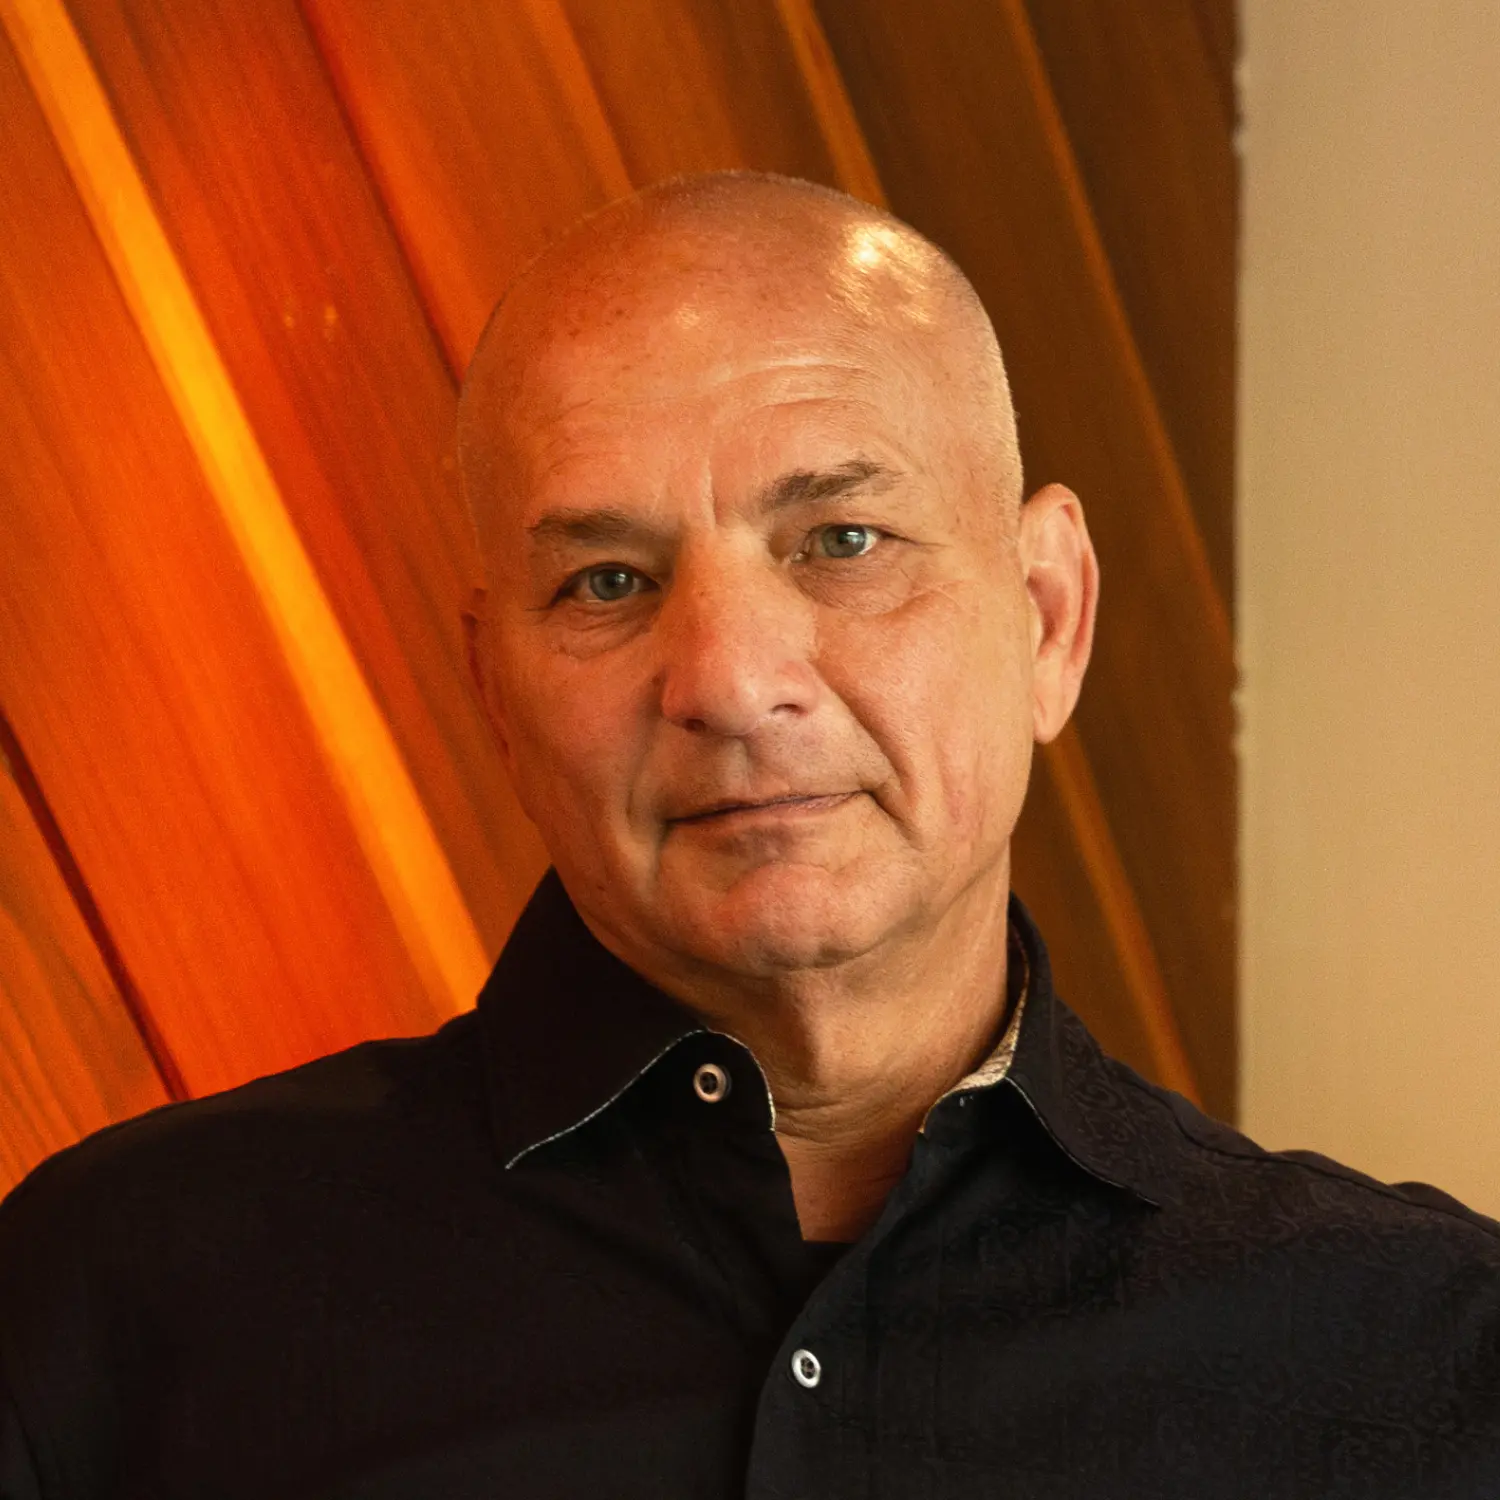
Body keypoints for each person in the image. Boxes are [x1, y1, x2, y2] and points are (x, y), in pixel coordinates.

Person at [1, 172, 1496, 1498]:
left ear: (1047, 618)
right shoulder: (112, 1303)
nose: (726, 681)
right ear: (494, 696)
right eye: (603, 582)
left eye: (841, 542)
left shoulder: (1432, 1361)